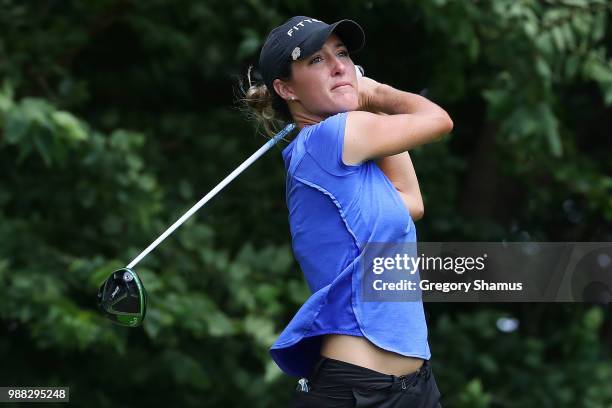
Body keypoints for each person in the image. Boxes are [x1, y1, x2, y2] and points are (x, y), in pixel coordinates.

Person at [242, 15, 453, 407]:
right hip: (358, 391)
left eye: (341, 54)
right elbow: (438, 120)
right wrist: (377, 94)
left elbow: (411, 202)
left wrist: (367, 104)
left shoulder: (339, 155)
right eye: (317, 60)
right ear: (286, 88)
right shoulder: (332, 136)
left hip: (415, 388)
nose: (340, 66)